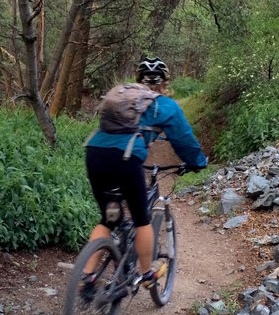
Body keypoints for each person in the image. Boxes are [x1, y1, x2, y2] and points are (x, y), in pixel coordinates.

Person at [83, 57, 208, 291]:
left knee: (109, 218)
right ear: (164, 82)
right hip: (126, 158)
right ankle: (147, 274)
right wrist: (198, 162)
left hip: (94, 153)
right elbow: (184, 141)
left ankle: (87, 277)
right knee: (142, 220)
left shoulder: (121, 95)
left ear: (138, 79)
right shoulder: (163, 105)